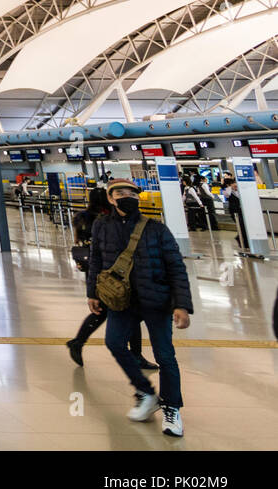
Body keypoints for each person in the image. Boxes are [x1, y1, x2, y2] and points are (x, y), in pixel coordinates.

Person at [86, 179, 193, 437]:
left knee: (165, 356)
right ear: (111, 198)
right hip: (122, 302)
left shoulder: (156, 229)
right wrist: (92, 292)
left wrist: (182, 305)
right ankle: (145, 391)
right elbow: (96, 261)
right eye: (121, 193)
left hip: (156, 300)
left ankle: (172, 407)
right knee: (114, 343)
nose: (127, 197)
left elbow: (176, 267)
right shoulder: (102, 226)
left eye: (132, 193)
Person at [66, 186, 153, 369]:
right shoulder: (106, 220)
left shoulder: (83, 218)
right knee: (127, 311)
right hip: (115, 271)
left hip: (97, 271)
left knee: (104, 310)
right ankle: (135, 355)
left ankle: (78, 342)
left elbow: (79, 242)